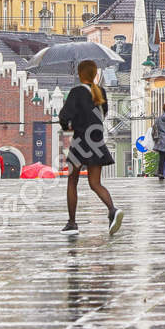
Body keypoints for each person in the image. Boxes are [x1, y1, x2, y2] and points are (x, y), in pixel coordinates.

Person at [59, 60, 121, 236]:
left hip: (80, 142)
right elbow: (104, 113)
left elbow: (64, 115)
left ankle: (72, 223)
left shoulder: (76, 92)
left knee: (72, 181)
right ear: (94, 74)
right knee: (95, 183)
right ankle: (112, 210)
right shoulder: (100, 92)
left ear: (80, 73)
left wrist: (68, 126)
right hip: (97, 140)